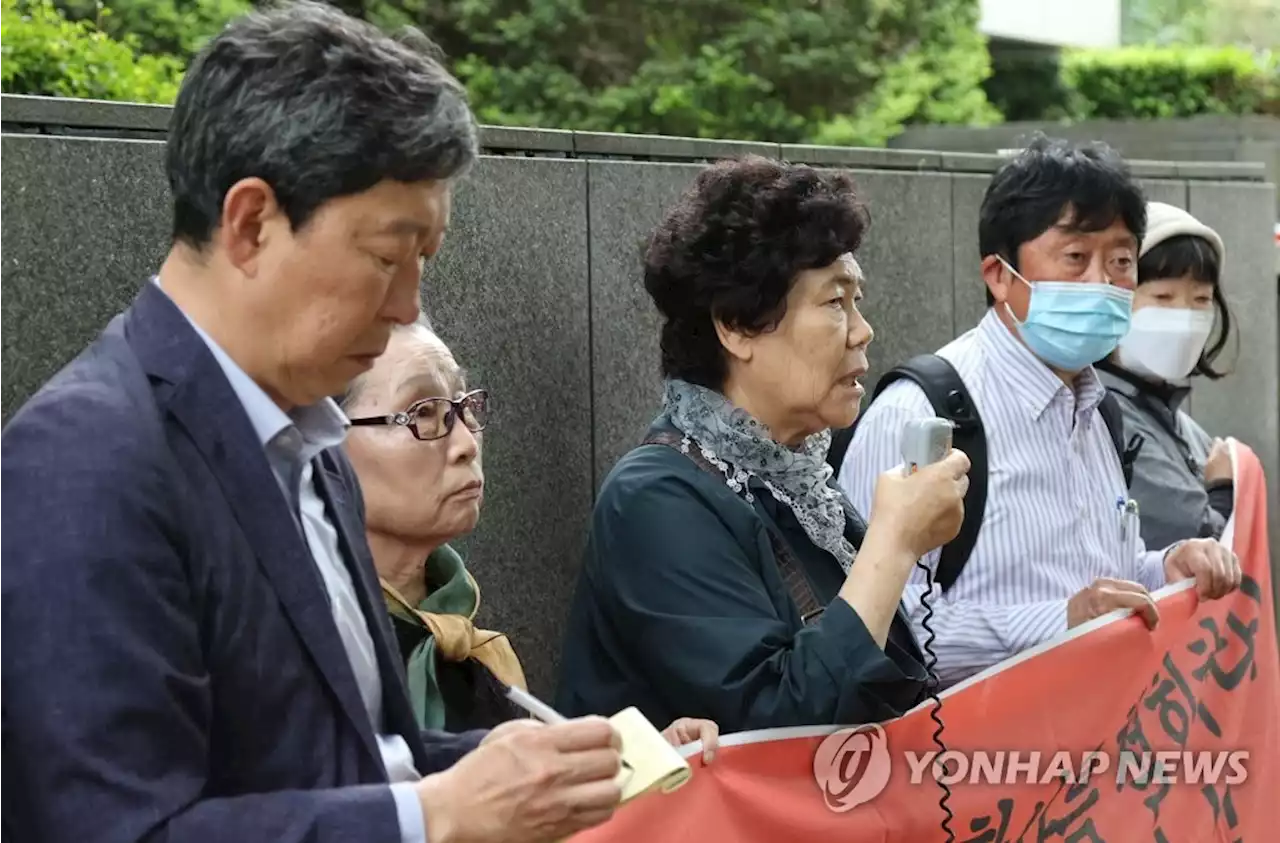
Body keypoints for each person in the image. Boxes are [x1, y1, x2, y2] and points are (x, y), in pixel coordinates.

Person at [0, 5, 625, 843]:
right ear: (252, 222)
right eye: (385, 257)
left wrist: (528, 765)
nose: (408, 304)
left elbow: (355, 759)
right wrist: (436, 815)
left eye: (424, 262)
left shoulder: (311, 439)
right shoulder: (85, 461)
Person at [554, 156, 971, 733]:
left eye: (858, 300)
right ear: (737, 326)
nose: (862, 329)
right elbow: (778, 720)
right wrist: (895, 543)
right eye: (834, 302)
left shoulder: (794, 478)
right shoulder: (654, 497)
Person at [838, 136, 1242, 688]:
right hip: (973, 764)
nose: (1102, 283)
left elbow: (1098, 580)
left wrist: (1166, 567)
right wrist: (1059, 623)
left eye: (1121, 261)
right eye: (1075, 258)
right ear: (999, 275)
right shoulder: (925, 413)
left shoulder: (1097, 410)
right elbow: (877, 631)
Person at [339, 318, 720, 758]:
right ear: (319, 440)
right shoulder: (305, 646)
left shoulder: (473, 648)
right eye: (423, 413)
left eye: (463, 408)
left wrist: (638, 767)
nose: (467, 443)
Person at [1096, 202, 1236, 548]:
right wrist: (1224, 489)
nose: (1185, 318)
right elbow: (1194, 538)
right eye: (1162, 296)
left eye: (1201, 299)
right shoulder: (1102, 412)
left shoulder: (1176, 420)